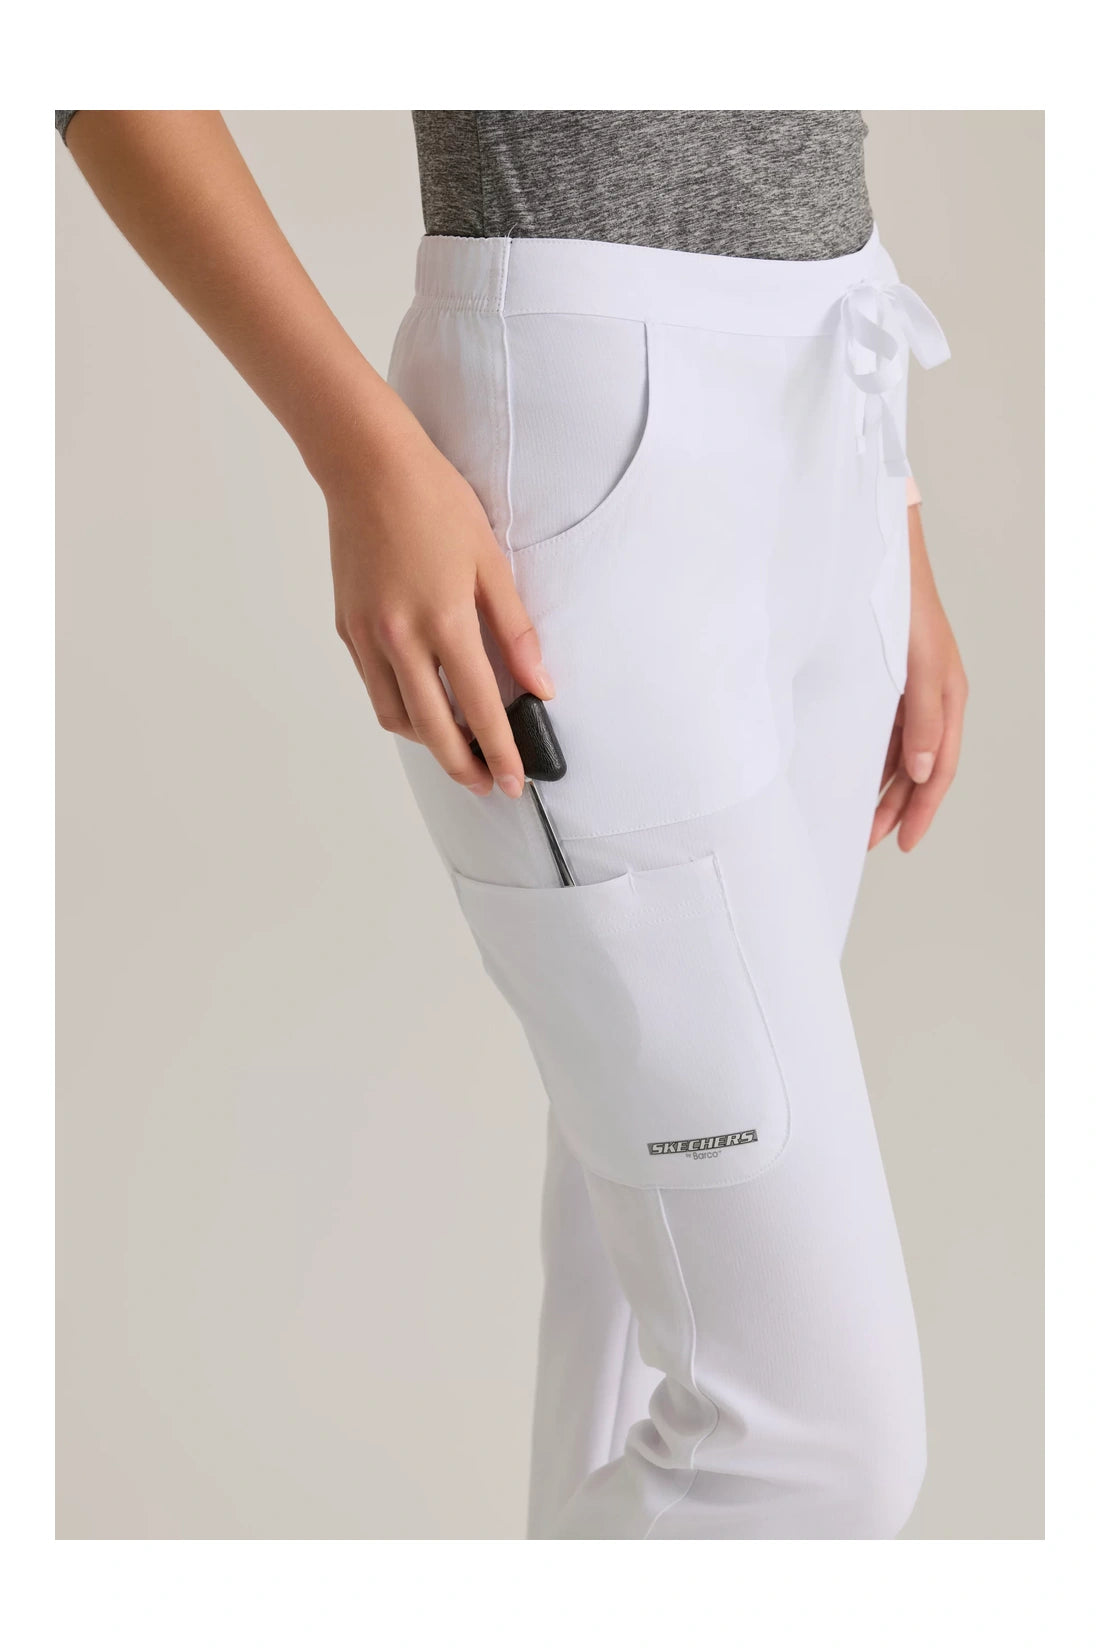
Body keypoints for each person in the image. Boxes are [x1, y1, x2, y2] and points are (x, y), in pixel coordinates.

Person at [56, 110, 968, 1540]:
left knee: (640, 1320)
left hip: (835, 396)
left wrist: (886, 509)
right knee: (808, 1446)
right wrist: (359, 454)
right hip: (588, 422)